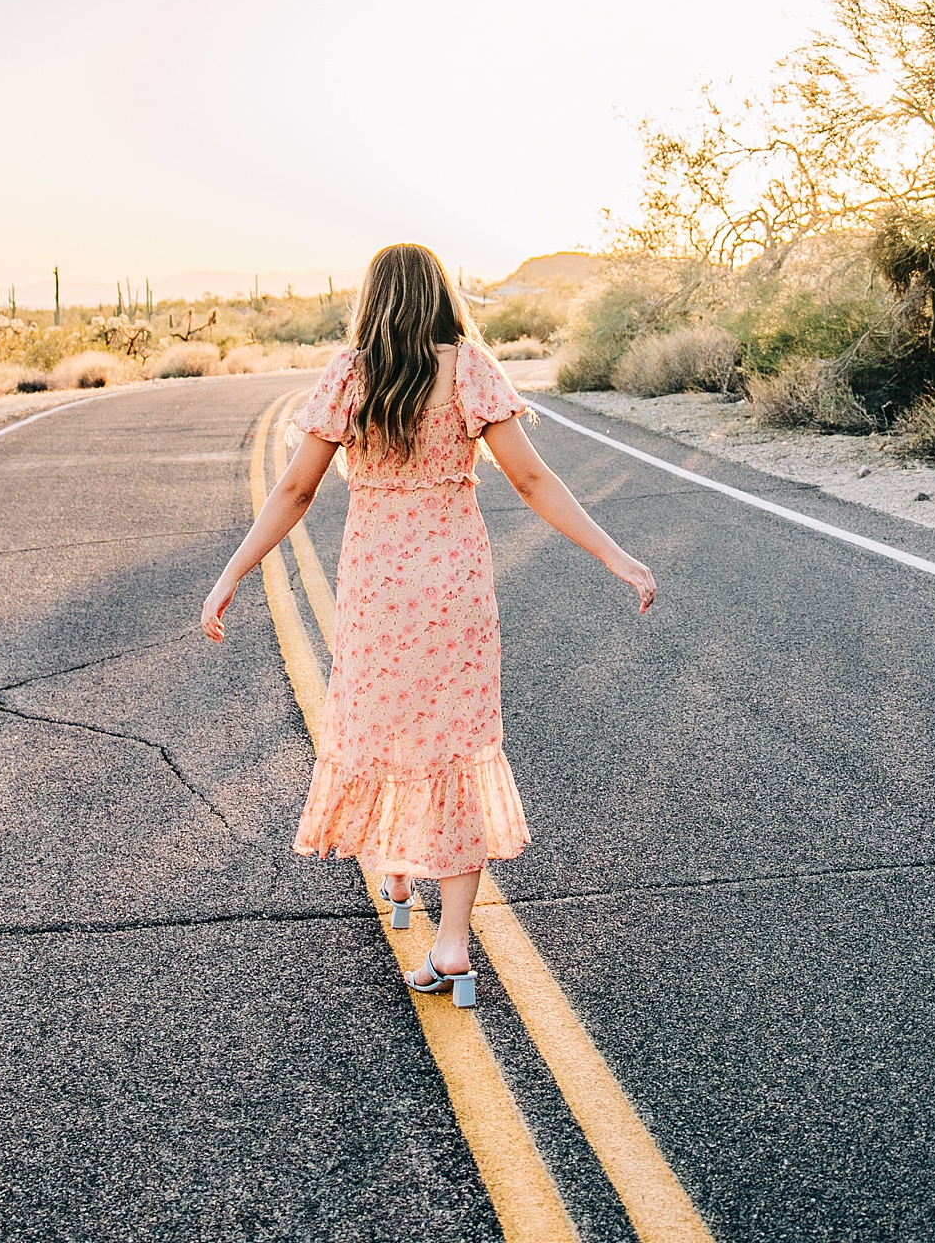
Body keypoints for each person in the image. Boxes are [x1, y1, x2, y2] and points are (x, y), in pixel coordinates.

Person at [202, 244, 656, 1006]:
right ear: (441, 295)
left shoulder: (350, 374)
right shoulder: (470, 367)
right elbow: (534, 479)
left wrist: (232, 572)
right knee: (454, 746)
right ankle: (452, 943)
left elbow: (295, 490)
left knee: (383, 731)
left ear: (372, 300)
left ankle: (400, 870)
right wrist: (616, 556)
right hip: (455, 589)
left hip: (379, 591)